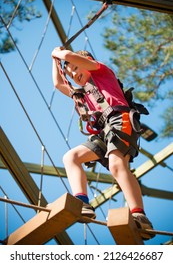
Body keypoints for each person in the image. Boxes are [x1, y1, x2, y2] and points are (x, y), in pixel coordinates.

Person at [51, 47, 155, 240]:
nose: (74, 74)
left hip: (119, 118)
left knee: (117, 165)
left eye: (76, 67)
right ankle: (82, 202)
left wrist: (58, 53)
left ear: (87, 61)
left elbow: (67, 56)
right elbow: (58, 84)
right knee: (71, 157)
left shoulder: (101, 71)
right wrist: (55, 61)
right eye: (70, 74)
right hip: (104, 131)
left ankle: (139, 214)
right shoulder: (80, 94)